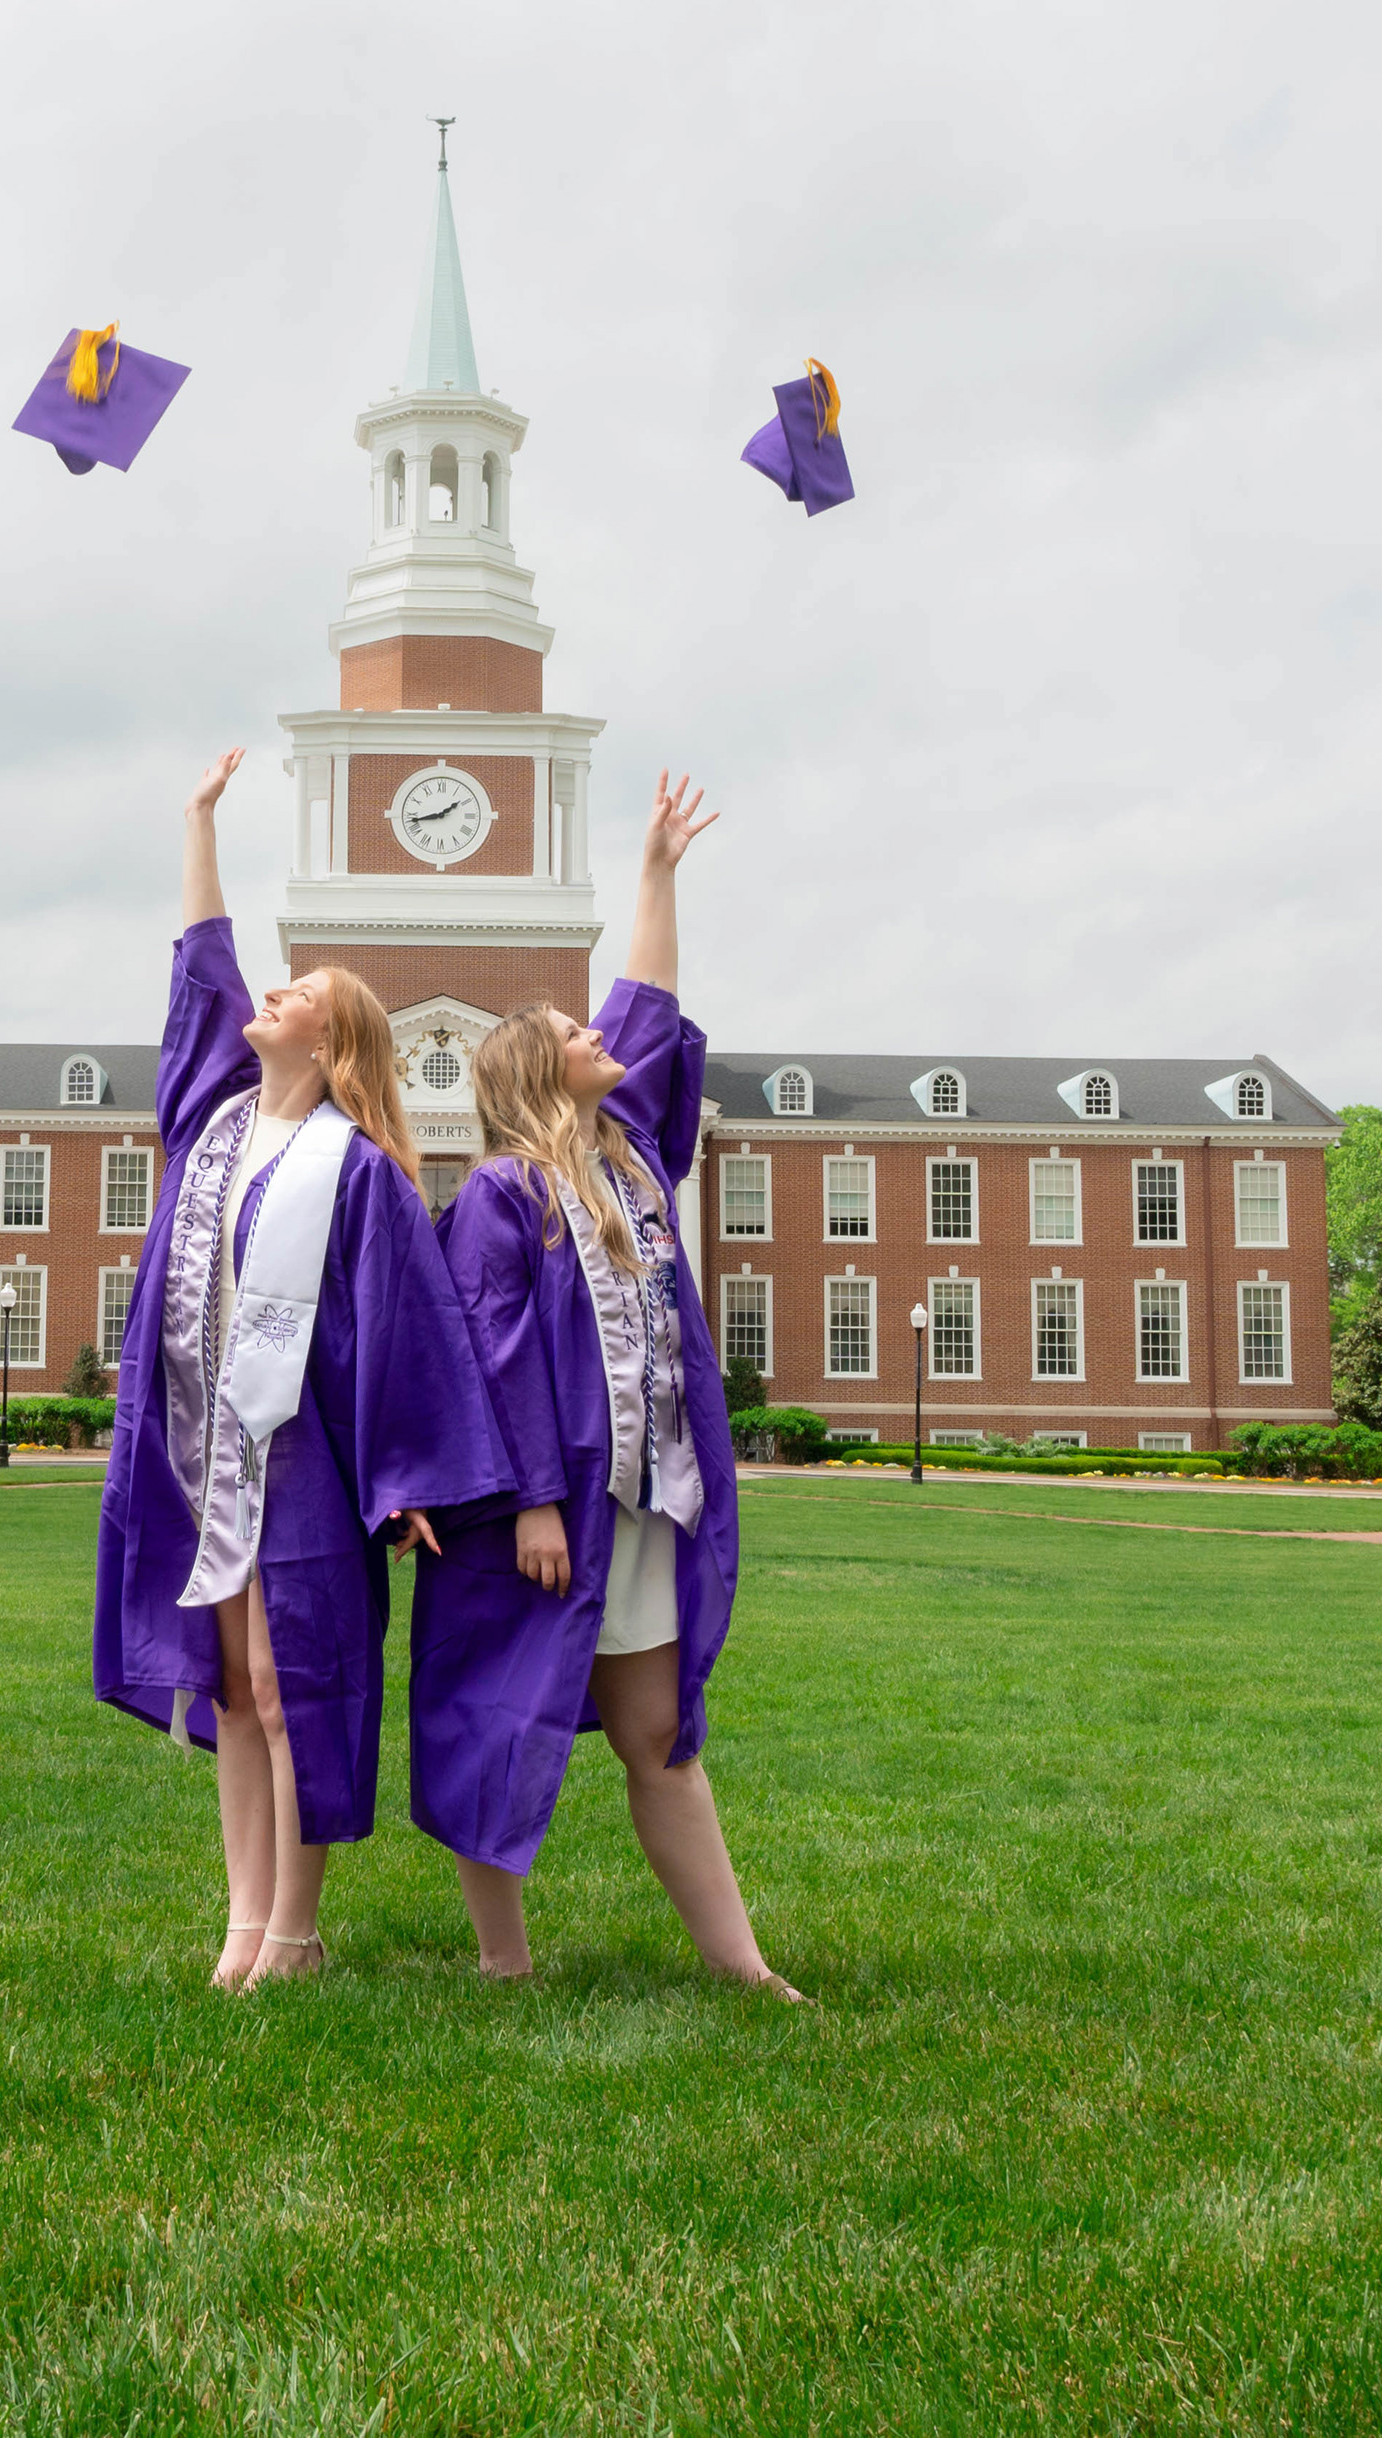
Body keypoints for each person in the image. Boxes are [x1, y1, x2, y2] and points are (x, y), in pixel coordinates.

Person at [93, 748, 504, 1986]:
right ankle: (240, 1923)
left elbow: (406, 1329)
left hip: (305, 1463)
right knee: (226, 1687)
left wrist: (410, 1475)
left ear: (336, 1041)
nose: (268, 994)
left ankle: (296, 1931)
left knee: (290, 1689)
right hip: (198, 1448)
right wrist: (198, 823)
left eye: (301, 992)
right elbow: (200, 972)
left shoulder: (362, 1170)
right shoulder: (214, 1118)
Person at [408, 771, 804, 1996]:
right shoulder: (499, 1200)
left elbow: (650, 1007)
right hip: (546, 1522)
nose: (602, 1042)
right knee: (492, 1719)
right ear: (535, 1074)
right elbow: (492, 1357)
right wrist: (529, 1500)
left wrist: (657, 875)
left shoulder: (633, 1170)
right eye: (577, 1039)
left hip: (642, 1507)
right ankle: (501, 1963)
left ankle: (744, 1970)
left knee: (658, 1738)